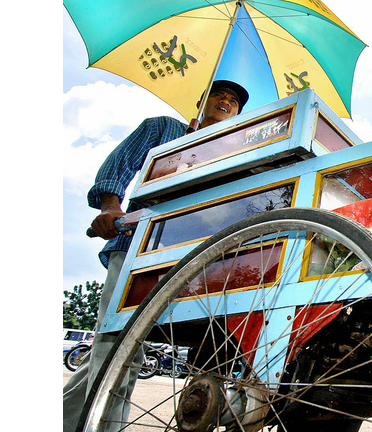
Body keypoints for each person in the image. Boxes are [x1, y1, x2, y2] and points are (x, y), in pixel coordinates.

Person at [62, 80, 249, 432]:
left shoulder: (235, 152)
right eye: (219, 94)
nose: (226, 100)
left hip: (191, 258)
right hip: (137, 244)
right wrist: (110, 206)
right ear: (200, 101)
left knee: (117, 355)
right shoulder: (163, 128)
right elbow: (121, 164)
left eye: (234, 100)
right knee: (116, 345)